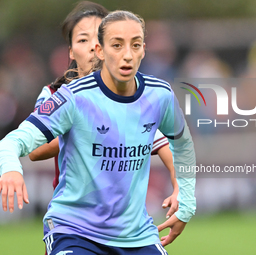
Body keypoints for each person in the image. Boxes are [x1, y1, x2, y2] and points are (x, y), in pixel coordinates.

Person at [0, 10, 196, 255]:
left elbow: (182, 145)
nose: (127, 55)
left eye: (134, 45)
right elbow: (13, 142)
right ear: (100, 50)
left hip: (136, 236)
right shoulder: (71, 97)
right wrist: (11, 170)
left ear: (143, 49)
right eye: (117, 45)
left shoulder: (159, 95)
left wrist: (185, 202)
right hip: (75, 232)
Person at [30, 1, 178, 219]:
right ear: (71, 51)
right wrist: (81, 128)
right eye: (83, 39)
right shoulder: (55, 94)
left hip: (124, 223)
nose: (92, 47)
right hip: (75, 222)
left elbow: (161, 140)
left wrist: (179, 185)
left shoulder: (132, 94)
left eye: (99, 39)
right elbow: (34, 150)